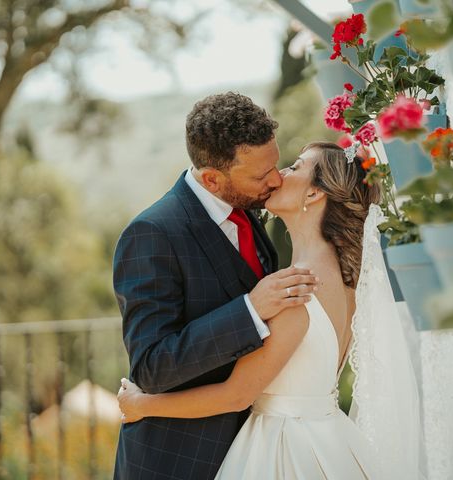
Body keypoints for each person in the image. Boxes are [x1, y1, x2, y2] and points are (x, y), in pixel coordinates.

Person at [118, 141, 389, 478]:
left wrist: (141, 406)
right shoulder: (345, 279)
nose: (278, 176)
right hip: (328, 442)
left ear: (313, 195)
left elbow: (235, 395)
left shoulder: (295, 291)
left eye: (295, 168)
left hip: (282, 452)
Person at [112, 92, 319, 480]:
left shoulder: (249, 212)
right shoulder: (152, 233)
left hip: (255, 454)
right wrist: (250, 310)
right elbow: (152, 366)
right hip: (178, 461)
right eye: (260, 176)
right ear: (212, 178)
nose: (275, 180)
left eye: (275, 165)